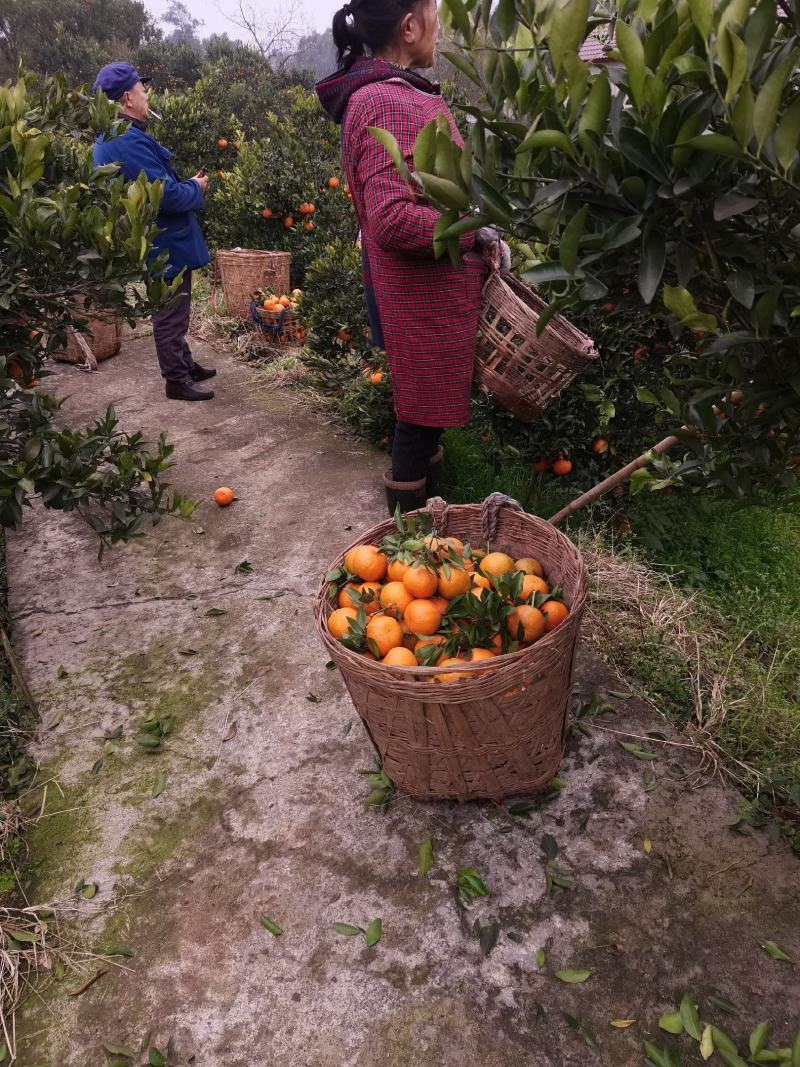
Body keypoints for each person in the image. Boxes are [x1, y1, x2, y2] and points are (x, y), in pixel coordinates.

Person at [316, 0, 509, 513]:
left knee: (423, 414)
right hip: (419, 296)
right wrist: (471, 232)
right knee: (418, 415)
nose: (440, 29)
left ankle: (432, 516)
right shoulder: (391, 102)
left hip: (418, 293)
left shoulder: (388, 95)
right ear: (408, 27)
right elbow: (393, 218)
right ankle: (410, 543)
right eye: (436, 16)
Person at [92, 62, 216, 402]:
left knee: (177, 307)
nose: (147, 97)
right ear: (128, 98)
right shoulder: (124, 141)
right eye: (143, 91)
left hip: (161, 238)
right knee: (170, 311)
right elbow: (165, 195)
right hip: (163, 241)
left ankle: (185, 363)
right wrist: (196, 187)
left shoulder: (118, 136)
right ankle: (176, 380)